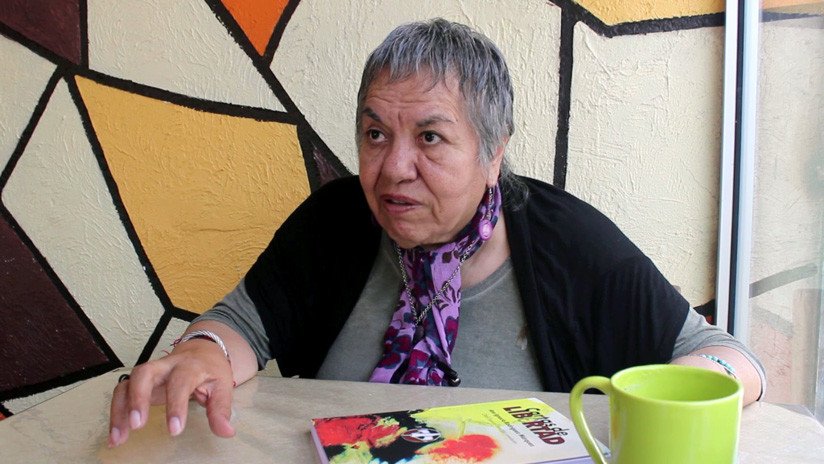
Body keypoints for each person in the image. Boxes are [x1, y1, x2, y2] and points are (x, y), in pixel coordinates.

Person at [108, 18, 765, 447]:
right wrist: (202, 353)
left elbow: (728, 358)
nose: (394, 167)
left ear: (493, 151)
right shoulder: (334, 223)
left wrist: (665, 404)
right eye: (375, 134)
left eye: (429, 137)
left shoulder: (572, 246)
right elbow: (240, 326)